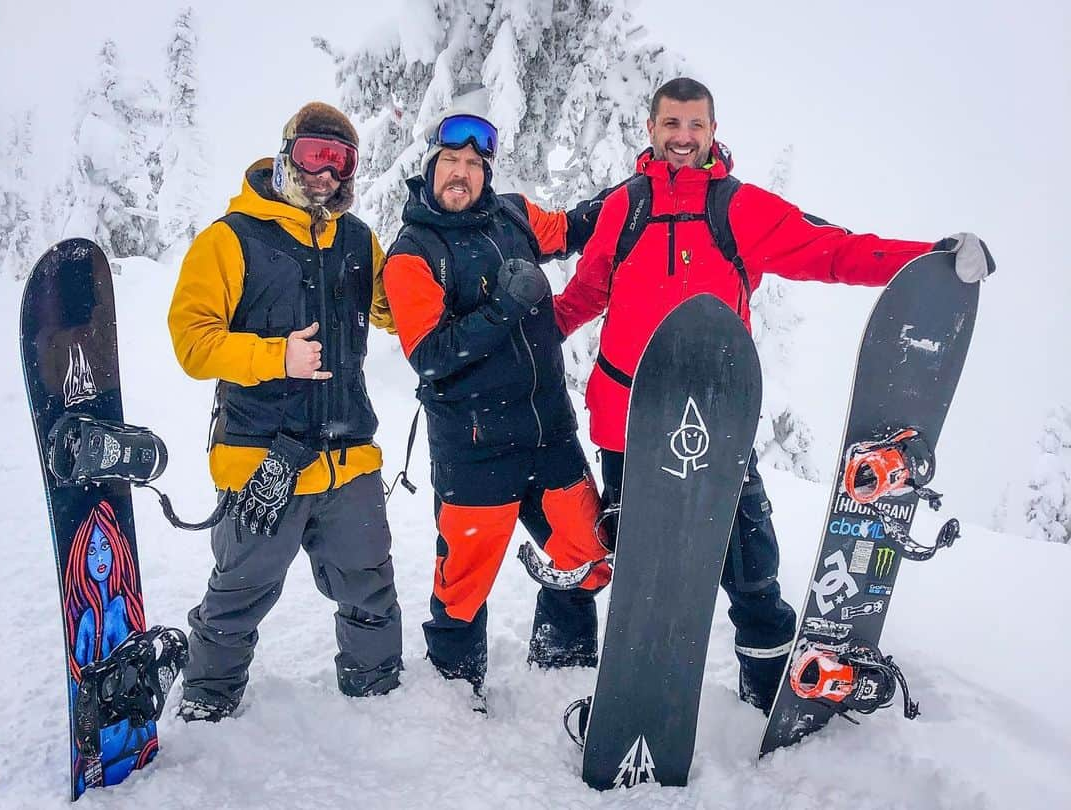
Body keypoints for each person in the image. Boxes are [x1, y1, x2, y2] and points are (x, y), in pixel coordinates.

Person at [553, 77, 995, 714]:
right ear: (650, 131)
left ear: (712, 131)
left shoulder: (738, 207)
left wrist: (927, 259)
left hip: (716, 425)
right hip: (631, 419)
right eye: (671, 125)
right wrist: (524, 334)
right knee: (639, 568)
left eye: (695, 126)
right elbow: (586, 294)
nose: (682, 137)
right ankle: (630, 693)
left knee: (750, 565)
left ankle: (765, 690)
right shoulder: (624, 208)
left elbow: (833, 251)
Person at [167, 102, 403, 721]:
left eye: (340, 160)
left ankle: (379, 704)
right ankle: (208, 704)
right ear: (286, 152)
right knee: (238, 595)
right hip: (261, 457)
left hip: (349, 457)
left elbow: (389, 310)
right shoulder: (230, 238)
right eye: (314, 155)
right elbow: (193, 341)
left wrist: (424, 287)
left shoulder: (358, 240)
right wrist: (276, 356)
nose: (325, 173)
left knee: (371, 588)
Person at [382, 103, 609, 704]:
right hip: (476, 449)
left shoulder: (513, 213)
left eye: (473, 164)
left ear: (486, 171)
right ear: (430, 168)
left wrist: (642, 185)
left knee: (586, 554)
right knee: (462, 586)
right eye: (450, 162)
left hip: (549, 432)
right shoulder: (411, 253)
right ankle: (455, 695)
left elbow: (574, 226)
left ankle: (564, 664)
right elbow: (429, 354)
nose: (461, 173)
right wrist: (504, 306)